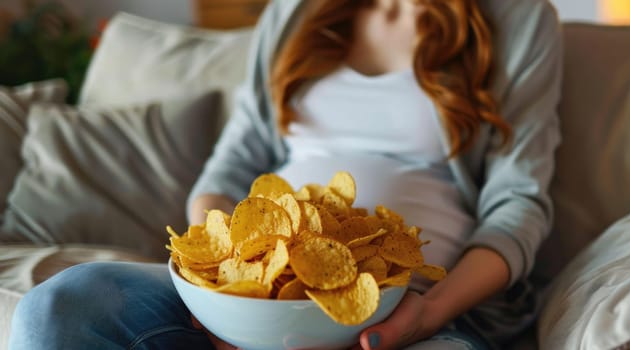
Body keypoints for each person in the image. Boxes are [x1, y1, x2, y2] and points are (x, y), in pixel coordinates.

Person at [8, 0, 562, 349]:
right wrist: (229, 293)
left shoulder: (518, 17)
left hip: (412, 308)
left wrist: (428, 312)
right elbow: (225, 172)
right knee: (61, 304)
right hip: (255, 294)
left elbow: (519, 203)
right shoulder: (294, 12)